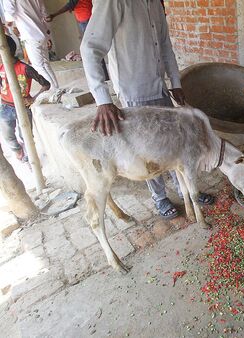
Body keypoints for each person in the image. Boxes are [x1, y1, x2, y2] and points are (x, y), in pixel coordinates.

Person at [81, 0, 214, 220]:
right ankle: (160, 197)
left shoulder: (154, 3)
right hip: (134, 92)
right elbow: (90, 47)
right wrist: (102, 99)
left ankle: (186, 191)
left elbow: (165, 45)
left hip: (159, 86)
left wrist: (175, 83)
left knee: (173, 142)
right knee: (148, 150)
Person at [0, 36, 50, 163]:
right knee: (7, 135)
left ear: (6, 51)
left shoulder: (24, 68)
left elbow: (46, 84)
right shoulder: (1, 68)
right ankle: (17, 150)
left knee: (26, 135)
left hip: (23, 107)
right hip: (5, 106)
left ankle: (29, 158)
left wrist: (33, 98)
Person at [2, 0, 59, 90]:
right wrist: (47, 34)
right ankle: (56, 88)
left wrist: (8, 24)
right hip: (42, 33)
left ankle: (53, 89)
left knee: (39, 67)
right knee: (45, 64)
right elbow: (44, 13)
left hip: (30, 35)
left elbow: (9, 15)